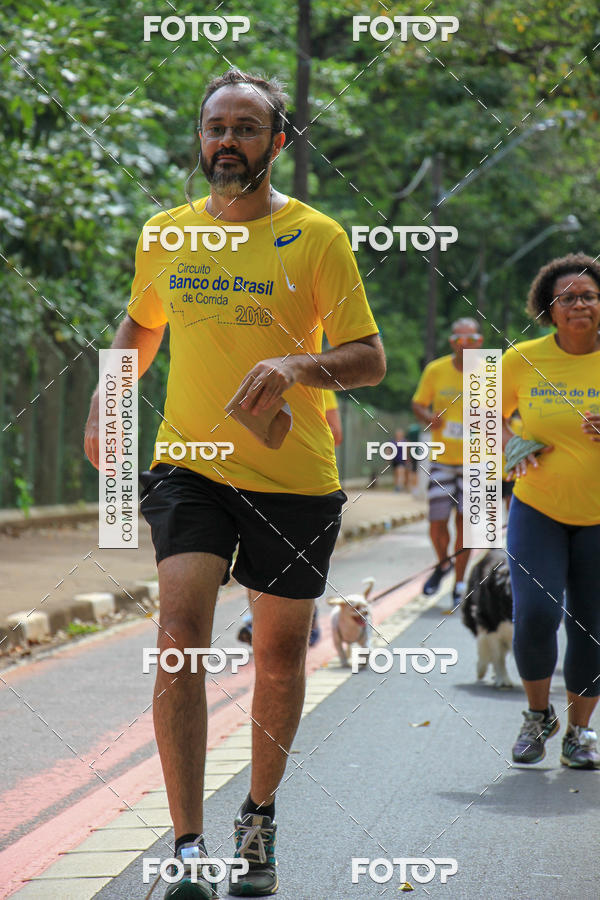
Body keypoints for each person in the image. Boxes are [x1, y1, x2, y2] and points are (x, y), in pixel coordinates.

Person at [85, 68, 385, 899]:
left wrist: (295, 364)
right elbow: (143, 322)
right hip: (190, 467)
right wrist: (112, 399)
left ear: (277, 142)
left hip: (294, 479)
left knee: (281, 658)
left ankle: (258, 817)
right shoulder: (167, 234)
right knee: (180, 631)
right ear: (201, 140)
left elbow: (368, 356)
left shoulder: (318, 237)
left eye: (247, 128)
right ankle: (186, 845)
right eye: (216, 127)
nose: (228, 141)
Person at [503, 252, 600, 769]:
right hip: (538, 508)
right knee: (537, 615)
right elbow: (478, 414)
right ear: (549, 307)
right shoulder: (522, 358)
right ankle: (538, 716)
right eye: (567, 298)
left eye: (588, 296)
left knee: (592, 626)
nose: (579, 304)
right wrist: (512, 445)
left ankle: (579, 733)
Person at [238, 389, 343, 647]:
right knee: (252, 559)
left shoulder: (313, 379)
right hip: (248, 479)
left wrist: (293, 429)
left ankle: (309, 615)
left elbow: (336, 433)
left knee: (298, 567)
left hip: (300, 486)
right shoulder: (243, 377)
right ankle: (258, 621)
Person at [411, 318, 484, 604]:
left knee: (465, 524)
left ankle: (460, 582)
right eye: (459, 339)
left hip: (475, 461)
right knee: (437, 521)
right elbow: (418, 403)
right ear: (452, 342)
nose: (465, 344)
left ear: (479, 342)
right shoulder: (436, 370)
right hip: (443, 459)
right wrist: (428, 418)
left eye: (471, 340)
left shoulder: (490, 372)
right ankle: (443, 564)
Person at [391, 427, 409, 492]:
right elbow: (389, 450)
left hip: (402, 460)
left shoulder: (405, 441)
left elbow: (407, 451)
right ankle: (396, 487)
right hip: (394, 459)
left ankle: (401, 486)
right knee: (396, 473)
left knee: (401, 472)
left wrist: (407, 459)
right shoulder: (393, 441)